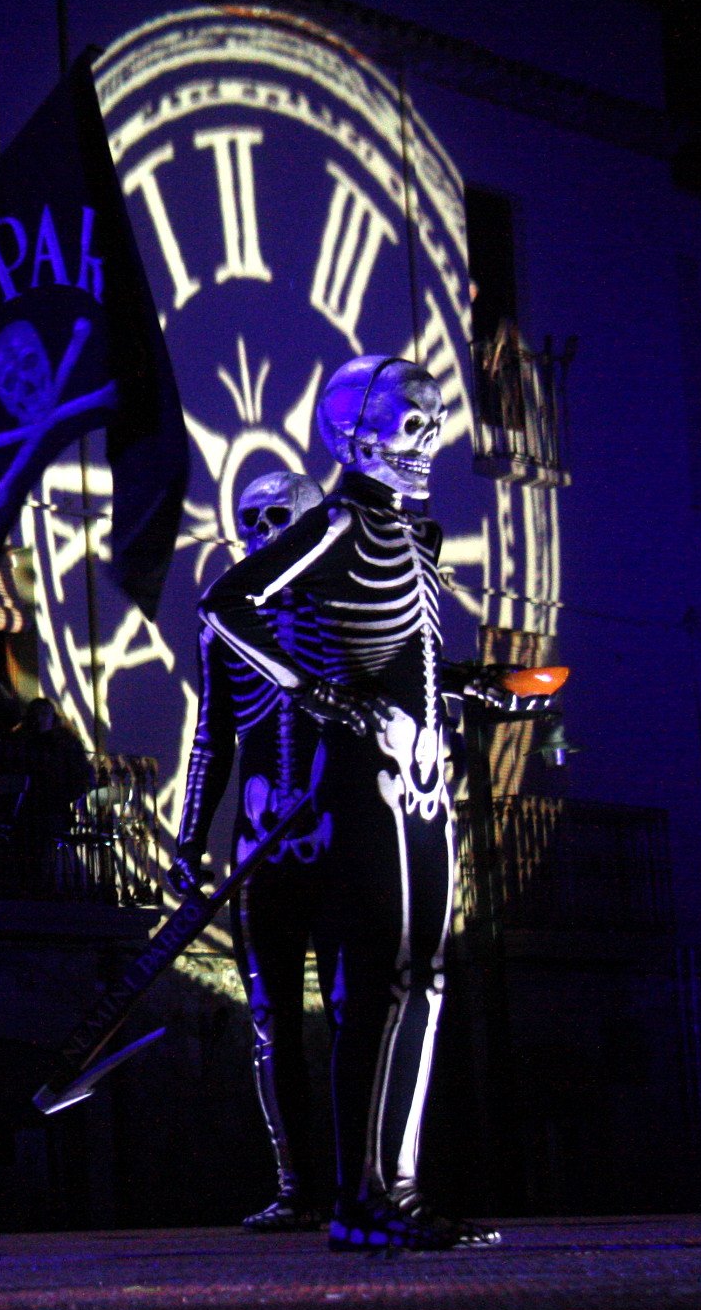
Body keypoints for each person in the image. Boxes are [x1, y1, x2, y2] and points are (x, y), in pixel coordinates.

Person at [200, 357, 552, 1251]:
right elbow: (228, 601)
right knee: (381, 988)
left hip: (423, 786)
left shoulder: (412, 542)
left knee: (420, 986)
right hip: (370, 788)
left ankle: (393, 1191)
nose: (429, 438)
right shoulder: (338, 526)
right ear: (351, 430)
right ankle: (361, 1198)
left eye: (434, 420)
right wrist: (324, 699)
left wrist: (481, 688)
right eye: (410, 420)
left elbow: (411, 667)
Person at [172, 469, 334, 1231]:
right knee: (270, 1017)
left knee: (351, 1009)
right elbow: (214, 735)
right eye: (250, 521)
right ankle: (297, 1183)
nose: (262, 535)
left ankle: (364, 1178)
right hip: (263, 840)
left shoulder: (343, 612)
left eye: (278, 519)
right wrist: (189, 836)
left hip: (338, 835)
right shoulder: (222, 624)